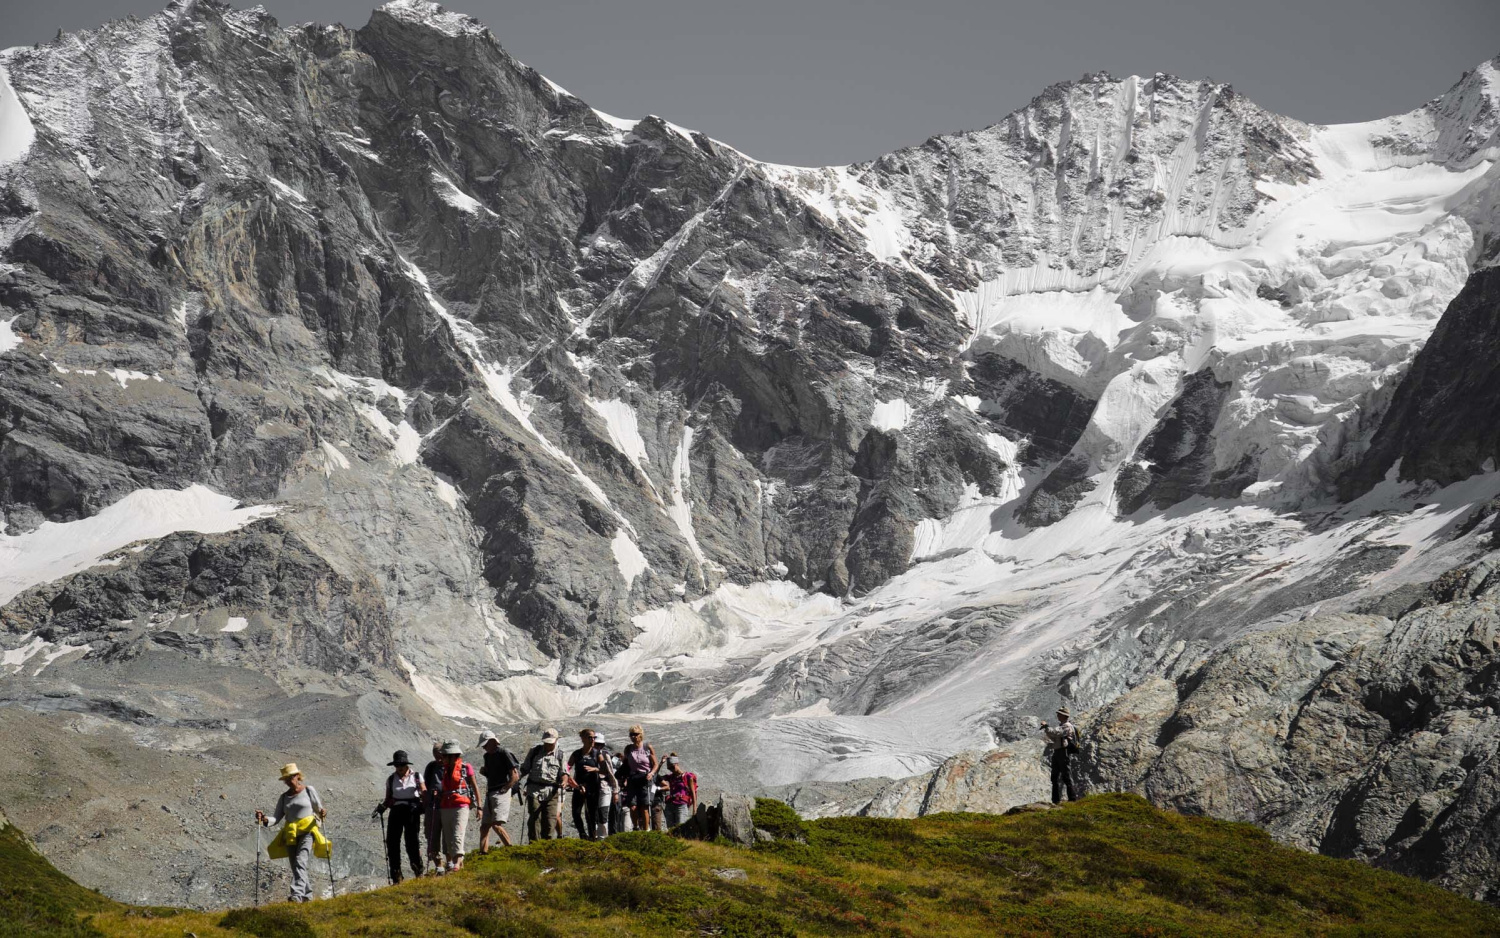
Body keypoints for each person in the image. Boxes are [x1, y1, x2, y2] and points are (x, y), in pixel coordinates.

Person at [255, 763, 330, 903]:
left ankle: (296, 895)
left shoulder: (308, 790)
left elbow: (318, 809)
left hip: (308, 831)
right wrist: (264, 819)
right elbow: (276, 818)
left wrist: (322, 812)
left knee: (300, 861)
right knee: (296, 864)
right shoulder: (284, 797)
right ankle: (307, 896)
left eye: (291, 777)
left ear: (298, 776)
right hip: (290, 833)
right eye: (286, 779)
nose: (289, 781)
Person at [378, 750, 425, 883]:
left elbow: (424, 792)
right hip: (396, 811)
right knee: (392, 842)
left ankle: (418, 871)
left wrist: (424, 804)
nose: (399, 768)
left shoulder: (416, 776)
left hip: (412, 810)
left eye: (402, 765)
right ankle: (396, 876)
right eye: (397, 765)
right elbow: (388, 798)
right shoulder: (391, 779)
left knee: (412, 842)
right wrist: (383, 806)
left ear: (406, 765)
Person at [435, 741, 480, 872]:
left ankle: (456, 862)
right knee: (449, 837)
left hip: (461, 805)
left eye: (445, 756)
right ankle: (459, 867)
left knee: (457, 834)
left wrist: (479, 807)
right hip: (446, 806)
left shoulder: (466, 767)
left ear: (453, 755)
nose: (443, 758)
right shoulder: (444, 770)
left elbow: (475, 786)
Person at [567, 729, 618, 840]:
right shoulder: (576, 754)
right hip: (579, 786)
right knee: (576, 813)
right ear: (583, 738)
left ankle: (592, 837)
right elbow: (568, 766)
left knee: (591, 814)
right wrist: (569, 779)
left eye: (594, 737)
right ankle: (582, 834)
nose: (592, 740)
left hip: (593, 788)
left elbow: (605, 770)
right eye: (589, 737)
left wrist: (594, 769)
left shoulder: (597, 753)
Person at [520, 728, 569, 841]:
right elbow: (525, 768)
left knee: (550, 821)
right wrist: (516, 779)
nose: (548, 744)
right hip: (534, 791)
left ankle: (547, 848)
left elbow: (564, 773)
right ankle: (534, 846)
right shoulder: (534, 751)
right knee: (534, 820)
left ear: (556, 740)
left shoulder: (560, 755)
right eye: (546, 742)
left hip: (551, 792)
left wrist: (564, 781)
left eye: (550, 742)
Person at [477, 730, 519, 853]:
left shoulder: (504, 753)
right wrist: (485, 772)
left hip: (501, 791)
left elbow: (514, 775)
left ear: (493, 742)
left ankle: (510, 850)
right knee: (484, 826)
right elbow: (491, 775)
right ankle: (483, 854)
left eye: (485, 744)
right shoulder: (487, 756)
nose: (484, 747)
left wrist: (506, 788)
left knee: (496, 824)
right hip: (491, 792)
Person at [620, 724, 659, 832]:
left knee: (644, 806)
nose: (633, 737)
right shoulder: (628, 749)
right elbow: (625, 765)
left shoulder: (647, 747)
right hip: (633, 778)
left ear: (640, 735)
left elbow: (655, 764)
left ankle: (646, 830)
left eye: (635, 734)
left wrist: (651, 773)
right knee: (632, 805)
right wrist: (624, 778)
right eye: (631, 734)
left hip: (645, 778)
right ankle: (636, 827)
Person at [1040, 706, 1079, 804]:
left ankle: (1072, 798)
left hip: (1063, 751)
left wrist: (1046, 726)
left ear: (1063, 715)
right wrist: (1047, 729)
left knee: (1066, 775)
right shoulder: (1062, 725)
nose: (1057, 715)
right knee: (1055, 776)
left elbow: (1056, 733)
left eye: (1059, 714)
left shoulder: (1067, 726)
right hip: (1058, 751)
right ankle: (1055, 800)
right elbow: (1054, 735)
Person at [421, 740, 443, 870]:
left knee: (447, 837)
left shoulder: (451, 767)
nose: (438, 759)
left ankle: (451, 864)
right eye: (436, 756)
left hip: (446, 807)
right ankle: (439, 866)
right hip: (432, 806)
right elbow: (426, 785)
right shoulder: (431, 767)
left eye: (440, 756)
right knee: (431, 836)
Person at [661, 753, 698, 829]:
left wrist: (694, 809)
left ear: (677, 764)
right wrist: (661, 763)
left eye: (672, 767)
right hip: (670, 805)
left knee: (680, 828)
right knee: (670, 829)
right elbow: (656, 778)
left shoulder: (688, 776)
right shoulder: (670, 777)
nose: (671, 769)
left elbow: (693, 793)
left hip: (681, 805)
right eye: (669, 768)